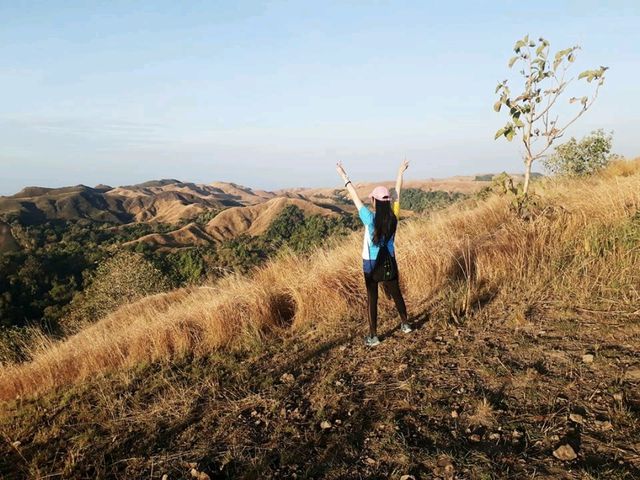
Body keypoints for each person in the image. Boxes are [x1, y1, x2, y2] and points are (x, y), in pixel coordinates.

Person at [336, 160, 412, 347]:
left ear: (374, 201)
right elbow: (397, 192)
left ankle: (373, 336)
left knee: (372, 300)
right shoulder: (394, 216)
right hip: (390, 261)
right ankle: (405, 324)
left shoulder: (369, 218)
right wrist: (400, 172)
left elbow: (353, 195)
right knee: (397, 294)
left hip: (370, 264)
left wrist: (343, 176)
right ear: (388, 201)